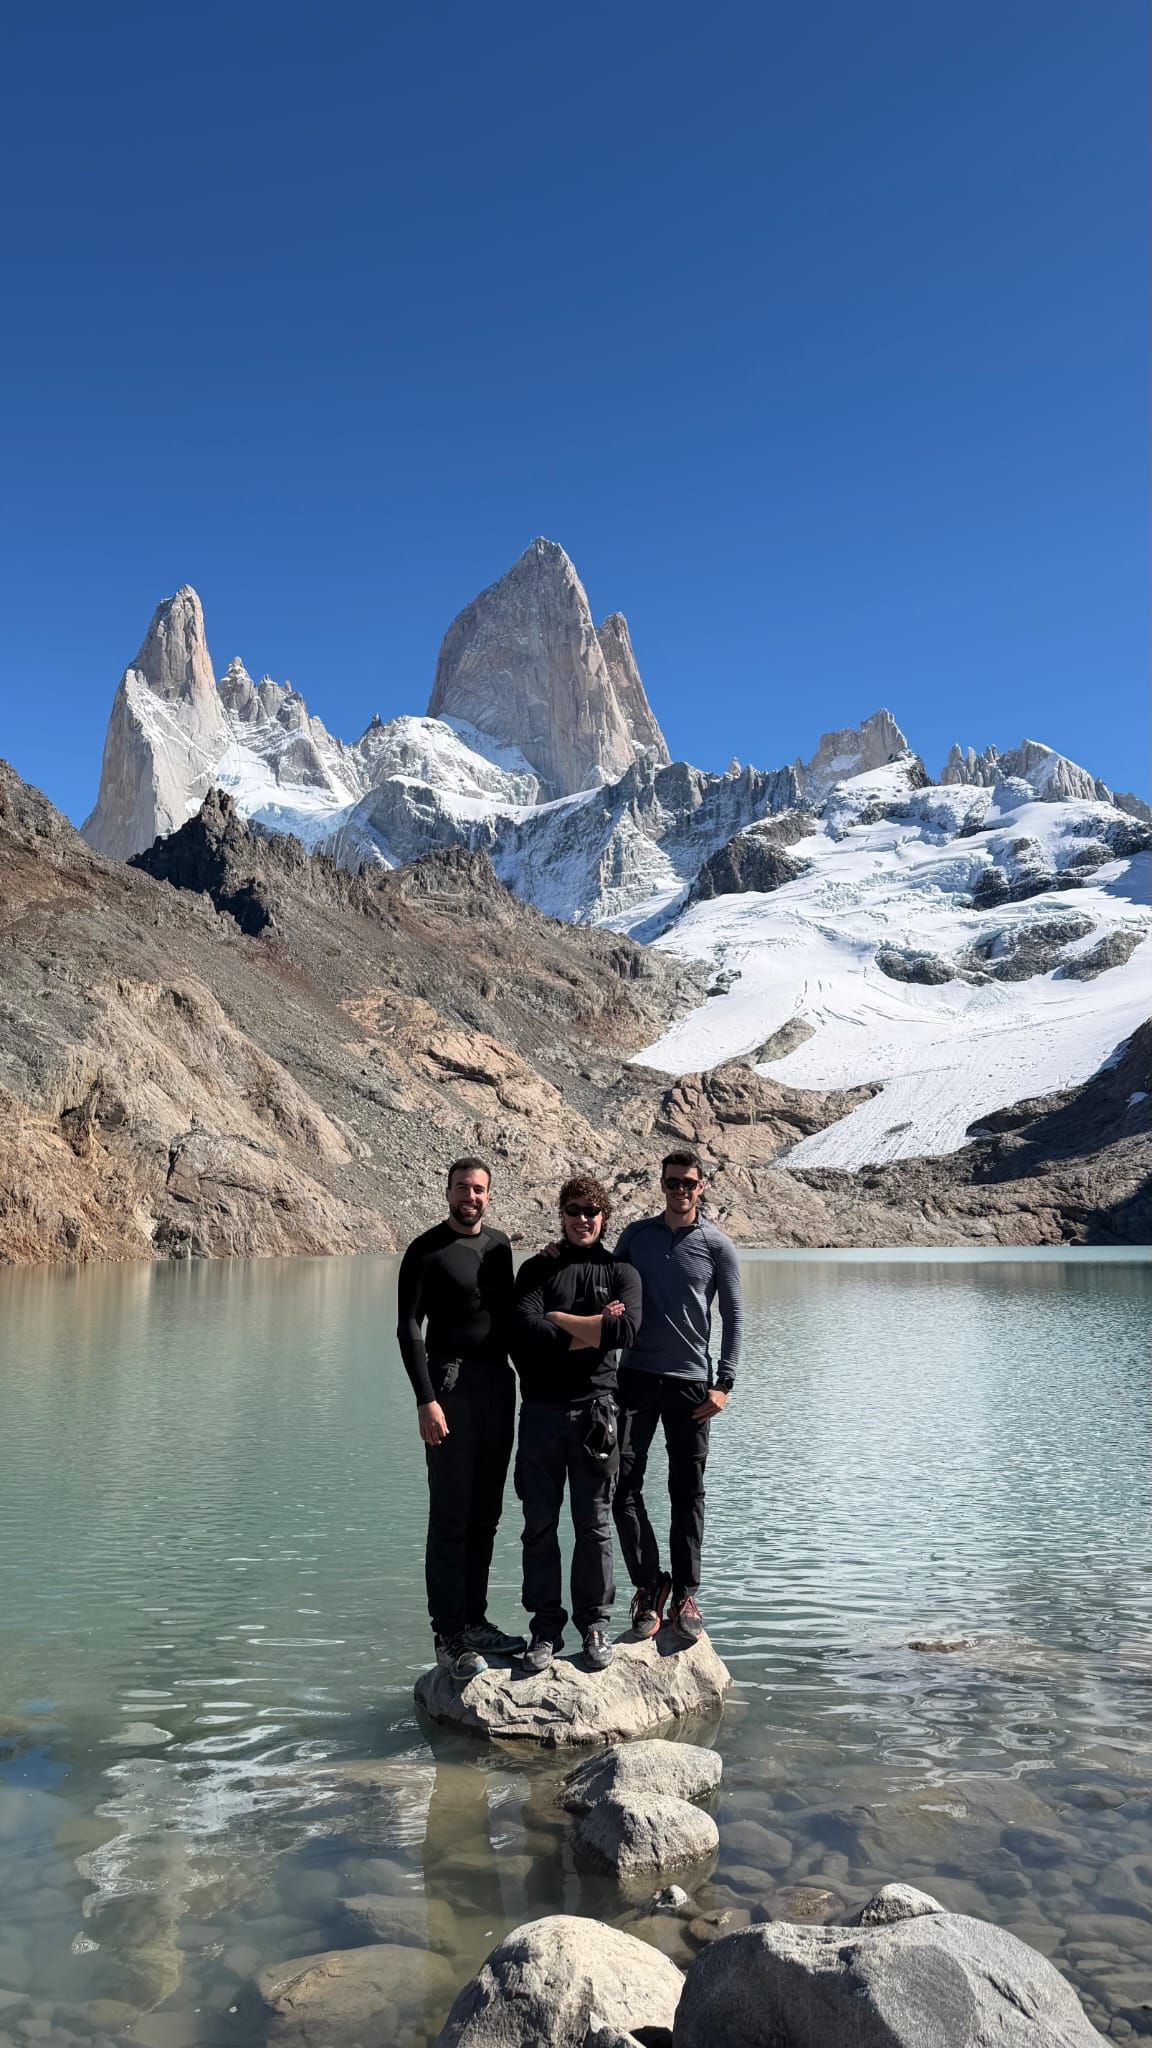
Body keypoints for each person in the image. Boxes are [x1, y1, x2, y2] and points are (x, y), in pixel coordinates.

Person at [396, 1156, 525, 1682]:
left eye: (478, 1189)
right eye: (462, 1188)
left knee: (486, 1514)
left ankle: (475, 1621)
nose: (470, 1197)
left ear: (488, 1195)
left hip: (497, 1385)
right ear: (447, 1191)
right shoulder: (426, 1250)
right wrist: (425, 1400)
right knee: (450, 1515)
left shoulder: (500, 1247)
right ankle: (448, 1635)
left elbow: (512, 1319)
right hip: (448, 1387)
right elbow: (409, 1328)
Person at [511, 1174, 642, 1675]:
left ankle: (594, 1624)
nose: (582, 1219)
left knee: (594, 1525)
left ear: (604, 1217)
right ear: (561, 1215)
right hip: (541, 1413)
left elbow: (625, 1329)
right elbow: (525, 1331)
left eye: (591, 1211)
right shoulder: (536, 1269)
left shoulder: (621, 1272)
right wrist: (592, 1327)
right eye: (573, 1210)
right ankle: (545, 1628)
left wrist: (558, 1318)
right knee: (539, 1525)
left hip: (597, 1414)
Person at [612, 1149, 742, 1646]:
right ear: (662, 1185)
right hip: (636, 1376)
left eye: (688, 1182)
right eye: (672, 1182)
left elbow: (733, 1316)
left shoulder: (717, 1245)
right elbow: (605, 1285)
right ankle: (650, 1585)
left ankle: (686, 1593)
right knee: (621, 1484)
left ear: (701, 1186)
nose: (680, 1190)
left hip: (691, 1383)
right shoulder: (636, 1237)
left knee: (687, 1490)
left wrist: (724, 1383)